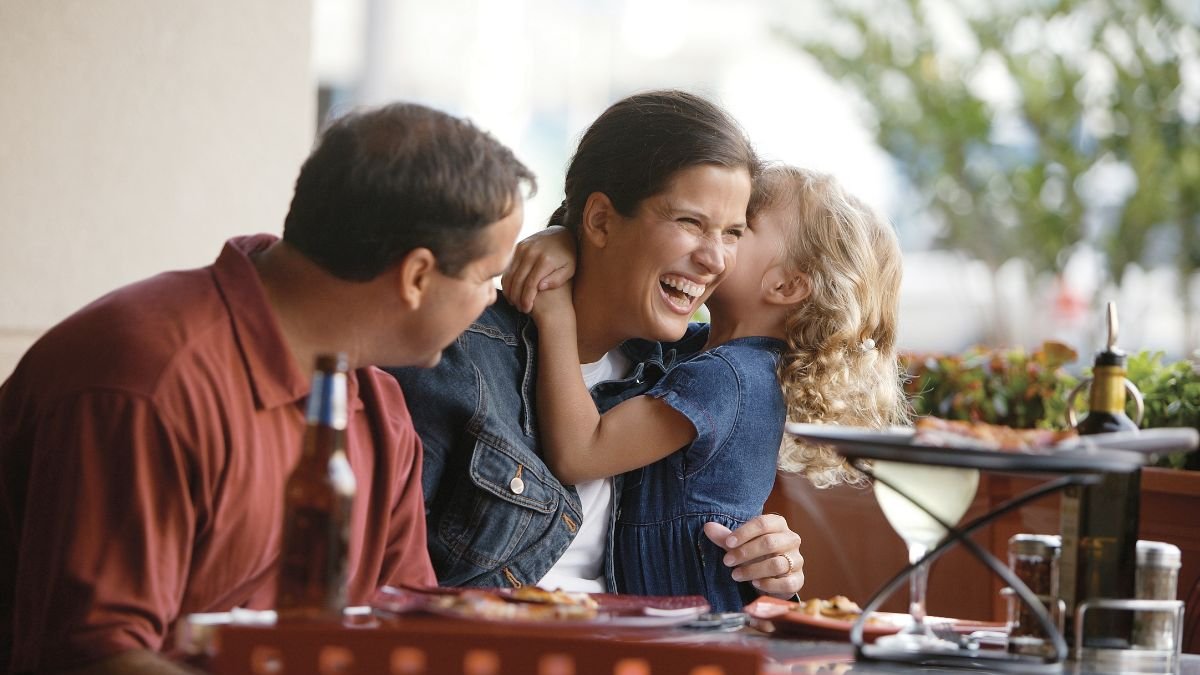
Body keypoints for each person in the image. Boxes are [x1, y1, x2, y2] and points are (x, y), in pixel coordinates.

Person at [0, 102, 534, 673]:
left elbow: (402, 632)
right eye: (487, 279)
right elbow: (91, 655)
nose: (493, 301)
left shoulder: (380, 410)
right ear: (417, 276)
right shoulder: (148, 381)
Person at [389, 90, 806, 598]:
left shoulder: (687, 371)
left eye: (733, 232)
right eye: (690, 222)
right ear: (602, 219)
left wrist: (770, 564)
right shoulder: (455, 356)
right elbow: (387, 582)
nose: (716, 259)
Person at [512, 165, 909, 610]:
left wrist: (555, 314)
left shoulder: (728, 378)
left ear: (786, 284)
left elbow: (580, 454)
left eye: (737, 229)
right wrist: (563, 238)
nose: (715, 247)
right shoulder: (716, 355)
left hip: (689, 630)